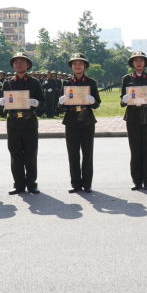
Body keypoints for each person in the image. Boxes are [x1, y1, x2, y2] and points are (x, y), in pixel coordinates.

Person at [0, 53, 43, 195]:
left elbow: (43, 103)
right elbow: (2, 107)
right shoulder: (7, 83)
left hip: (29, 121)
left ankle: (32, 183)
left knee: (30, 153)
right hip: (13, 122)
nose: (18, 64)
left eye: (22, 61)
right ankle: (18, 184)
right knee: (15, 154)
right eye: (16, 62)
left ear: (28, 65)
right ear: (12, 65)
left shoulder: (34, 83)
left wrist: (36, 103)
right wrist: (1, 103)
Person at [59, 53, 101, 193]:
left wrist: (93, 101)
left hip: (87, 119)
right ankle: (75, 183)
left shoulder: (91, 82)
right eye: (74, 63)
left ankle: (87, 183)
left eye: (80, 63)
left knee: (87, 153)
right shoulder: (66, 83)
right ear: (71, 66)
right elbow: (61, 105)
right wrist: (61, 102)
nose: (77, 66)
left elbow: (97, 103)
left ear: (85, 66)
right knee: (73, 153)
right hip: (71, 119)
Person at [120, 51, 147, 190]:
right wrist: (124, 100)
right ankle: (136, 180)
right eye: (136, 60)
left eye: (141, 60)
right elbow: (122, 101)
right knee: (135, 149)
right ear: (132, 63)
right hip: (132, 116)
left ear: (145, 62)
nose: (138, 63)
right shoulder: (127, 79)